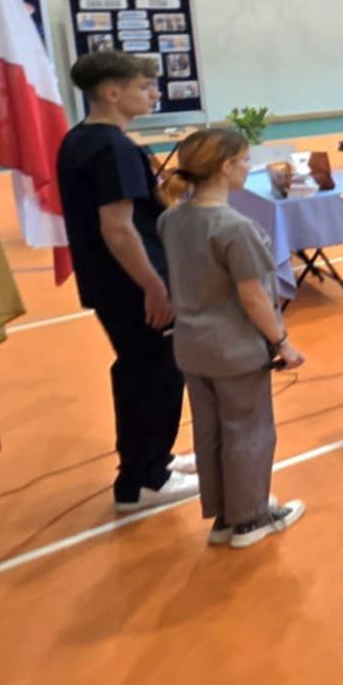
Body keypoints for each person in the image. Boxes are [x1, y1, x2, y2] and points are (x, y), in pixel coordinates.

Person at [56, 51, 195, 513]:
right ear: (113, 92)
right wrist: (154, 285)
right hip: (133, 284)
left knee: (142, 369)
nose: (154, 93)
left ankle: (154, 460)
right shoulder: (113, 149)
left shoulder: (79, 139)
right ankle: (143, 480)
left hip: (109, 282)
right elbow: (117, 227)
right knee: (153, 373)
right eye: (144, 86)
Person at [156, 127, 306, 547]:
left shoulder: (171, 219)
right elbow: (253, 296)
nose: (248, 167)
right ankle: (250, 517)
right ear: (225, 167)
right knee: (249, 430)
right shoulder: (234, 227)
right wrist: (282, 342)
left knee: (211, 432)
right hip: (233, 347)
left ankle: (225, 514)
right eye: (244, 160)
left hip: (191, 345)